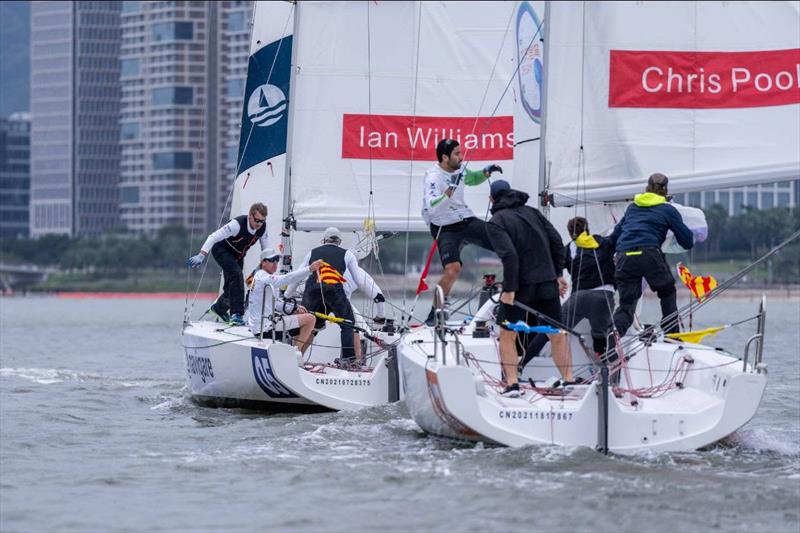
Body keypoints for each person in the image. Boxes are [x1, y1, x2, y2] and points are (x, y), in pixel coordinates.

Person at [485, 180, 571, 397]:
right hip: (547, 283)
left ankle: (512, 384)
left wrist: (510, 290)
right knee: (556, 333)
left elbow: (509, 255)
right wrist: (558, 274)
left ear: (492, 199)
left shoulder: (496, 221)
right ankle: (569, 380)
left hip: (520, 288)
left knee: (507, 334)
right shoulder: (533, 213)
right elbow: (557, 242)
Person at [420, 138, 503, 325]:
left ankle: (516, 292)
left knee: (502, 241)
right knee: (453, 269)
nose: (461, 157)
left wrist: (487, 171)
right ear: (444, 157)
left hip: (464, 219)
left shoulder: (460, 170)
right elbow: (432, 207)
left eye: (461, 152)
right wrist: (451, 189)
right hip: (444, 226)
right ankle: (434, 314)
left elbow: (472, 178)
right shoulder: (433, 177)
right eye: (457, 154)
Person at [521, 216, 617, 371]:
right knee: (603, 334)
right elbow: (618, 235)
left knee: (550, 329)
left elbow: (552, 267)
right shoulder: (603, 242)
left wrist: (556, 283)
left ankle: (521, 365)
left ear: (570, 232)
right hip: (604, 297)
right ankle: (607, 374)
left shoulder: (569, 248)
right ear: (588, 228)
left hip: (579, 298)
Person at [609, 173, 694, 338]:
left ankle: (613, 338)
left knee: (627, 304)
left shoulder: (633, 207)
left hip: (625, 255)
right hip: (649, 253)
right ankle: (671, 334)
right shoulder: (668, 210)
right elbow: (687, 241)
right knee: (667, 291)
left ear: (646, 188)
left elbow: (614, 237)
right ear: (665, 191)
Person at [286, 227, 383, 368]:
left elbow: (298, 275)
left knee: (308, 324)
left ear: (323, 240)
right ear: (339, 242)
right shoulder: (347, 254)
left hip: (313, 291)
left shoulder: (312, 252)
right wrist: (377, 301)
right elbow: (360, 280)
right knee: (348, 323)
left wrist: (287, 295)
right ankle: (349, 361)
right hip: (334, 292)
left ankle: (294, 358)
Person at [188, 203, 271, 326]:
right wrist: (202, 255)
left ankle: (218, 308)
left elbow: (266, 249)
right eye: (257, 220)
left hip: (238, 255)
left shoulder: (262, 228)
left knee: (230, 287)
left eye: (262, 221)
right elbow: (213, 236)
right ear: (250, 216)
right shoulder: (236, 225)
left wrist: (266, 265)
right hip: (221, 250)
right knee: (237, 276)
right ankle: (236, 315)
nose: (259, 224)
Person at [245, 249, 322, 354]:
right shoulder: (264, 278)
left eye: (277, 260)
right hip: (265, 328)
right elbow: (287, 278)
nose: (275, 263)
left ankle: (293, 355)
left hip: (261, 326)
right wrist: (309, 269)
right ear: (263, 262)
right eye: (272, 260)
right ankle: (296, 355)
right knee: (310, 319)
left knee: (302, 318)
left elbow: (276, 303)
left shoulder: (260, 276)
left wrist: (294, 308)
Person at [342, 266, 386, 365]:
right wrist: (380, 319)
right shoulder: (359, 272)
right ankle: (357, 361)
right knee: (357, 327)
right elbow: (380, 297)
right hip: (340, 300)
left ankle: (300, 354)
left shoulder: (330, 265)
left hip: (319, 296)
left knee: (315, 326)